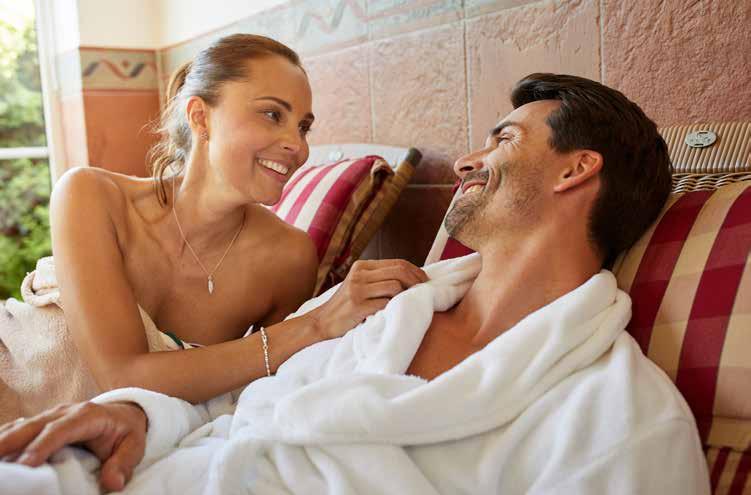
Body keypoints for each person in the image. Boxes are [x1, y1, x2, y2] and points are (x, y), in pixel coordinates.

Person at [0, 73, 710, 494]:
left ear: (575, 170)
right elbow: (231, 402)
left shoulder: (623, 420)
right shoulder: (384, 304)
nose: (467, 161)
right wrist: (140, 418)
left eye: (503, 139)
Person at [0, 33, 427, 421]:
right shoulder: (90, 196)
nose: (298, 146)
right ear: (200, 118)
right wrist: (314, 324)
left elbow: (267, 394)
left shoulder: (288, 259)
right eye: (272, 114)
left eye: (303, 127)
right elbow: (120, 376)